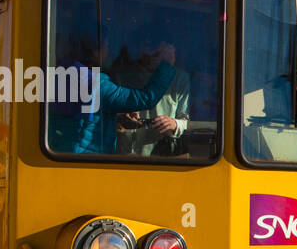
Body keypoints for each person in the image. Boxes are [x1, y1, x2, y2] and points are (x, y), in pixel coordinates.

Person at [49, 32, 177, 155]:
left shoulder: (61, 74)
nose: (109, 52)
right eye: (108, 46)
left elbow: (79, 118)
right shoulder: (94, 84)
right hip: (86, 156)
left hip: (66, 150)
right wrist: (167, 64)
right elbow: (146, 99)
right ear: (94, 51)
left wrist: (115, 120)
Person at [113, 29, 192, 156]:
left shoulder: (180, 78)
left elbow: (188, 120)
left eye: (158, 53)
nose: (152, 56)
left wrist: (175, 124)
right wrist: (120, 119)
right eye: (148, 49)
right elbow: (107, 115)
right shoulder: (123, 75)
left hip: (162, 156)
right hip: (125, 154)